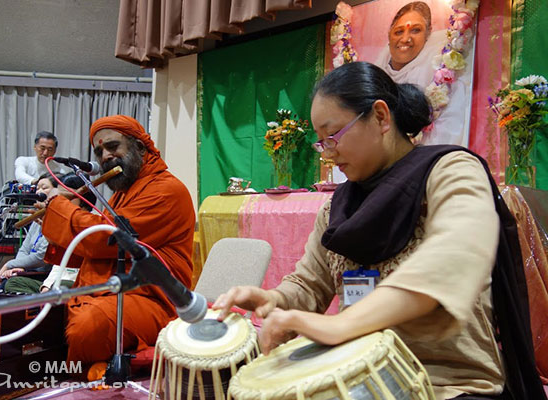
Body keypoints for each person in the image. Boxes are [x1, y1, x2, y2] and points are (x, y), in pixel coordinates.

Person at [213, 62, 545, 400]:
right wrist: (273, 299)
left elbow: (455, 255)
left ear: (381, 117)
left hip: (449, 386)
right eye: (321, 143)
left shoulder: (451, 171)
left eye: (333, 136)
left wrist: (343, 324)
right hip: (360, 382)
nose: (327, 155)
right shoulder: (336, 206)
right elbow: (309, 283)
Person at [40, 115, 195, 377]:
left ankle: (83, 379)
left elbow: (105, 239)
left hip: (153, 298)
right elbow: (91, 248)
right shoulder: (124, 191)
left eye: (113, 147)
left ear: (140, 148)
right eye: (100, 151)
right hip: (114, 292)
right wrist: (55, 214)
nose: (105, 156)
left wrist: (59, 207)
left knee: (88, 327)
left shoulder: (167, 190)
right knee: (45, 316)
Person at [374, 1, 471, 147]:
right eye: (399, 31)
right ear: (389, 35)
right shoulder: (376, 74)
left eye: (415, 30)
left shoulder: (439, 72)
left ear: (428, 33)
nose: (405, 38)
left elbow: (448, 133)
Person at [3, 173, 97, 294]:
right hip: (55, 284)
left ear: (83, 198)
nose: (63, 201)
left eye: (67, 196)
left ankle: (44, 303)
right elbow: (59, 265)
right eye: (61, 196)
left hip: (78, 283)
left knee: (61, 285)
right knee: (13, 283)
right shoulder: (63, 220)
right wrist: (45, 287)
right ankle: (43, 303)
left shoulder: (92, 221)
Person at [0, 172, 59, 287]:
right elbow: (24, 249)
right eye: (37, 188)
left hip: (44, 274)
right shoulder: (37, 216)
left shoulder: (58, 219)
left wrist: (10, 265)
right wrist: (19, 267)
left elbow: (41, 257)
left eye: (44, 188)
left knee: (7, 284)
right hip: (28, 270)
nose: (39, 192)